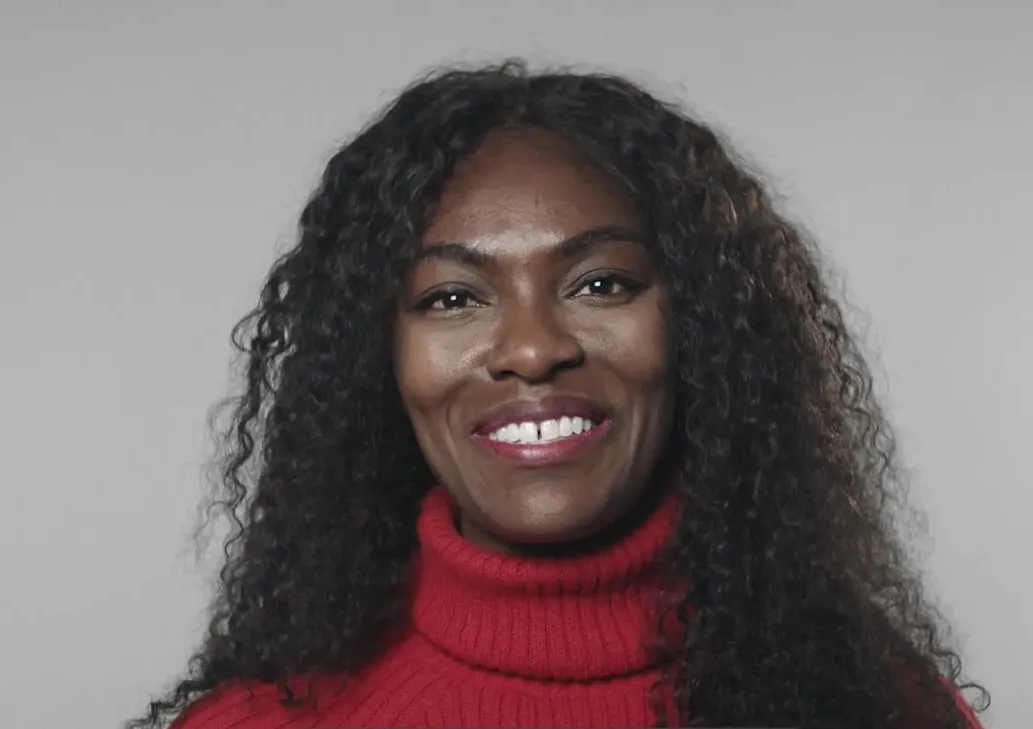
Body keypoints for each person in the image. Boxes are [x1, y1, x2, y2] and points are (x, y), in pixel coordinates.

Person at [131, 59, 988, 729]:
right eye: (453, 298)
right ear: (378, 359)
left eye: (601, 284)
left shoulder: (880, 708)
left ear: (700, 325)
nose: (534, 348)